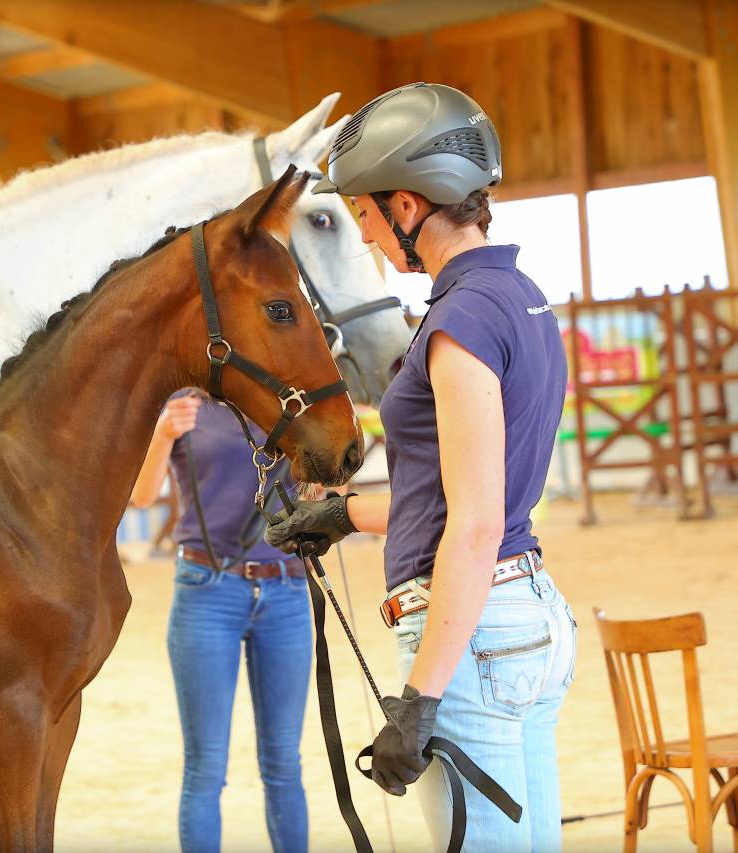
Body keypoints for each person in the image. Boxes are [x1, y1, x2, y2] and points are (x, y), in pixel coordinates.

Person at [265, 82, 577, 852]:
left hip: (471, 631)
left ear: (406, 206)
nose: (368, 238)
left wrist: (420, 699)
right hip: (524, 610)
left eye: (366, 216)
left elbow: (474, 526)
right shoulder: (519, 296)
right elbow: (461, 495)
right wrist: (344, 513)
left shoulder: (459, 320)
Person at [131, 389, 312, 853]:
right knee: (206, 766)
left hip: (286, 589)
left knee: (284, 764)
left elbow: (323, 483)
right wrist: (163, 433)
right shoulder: (185, 403)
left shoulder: (289, 402)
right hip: (207, 589)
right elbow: (142, 496)